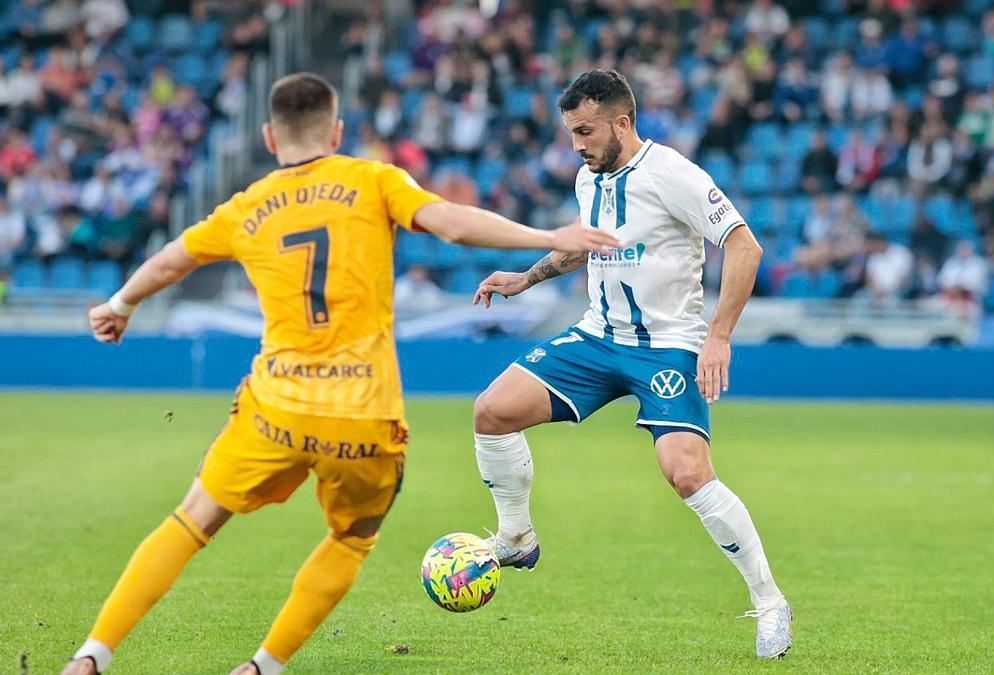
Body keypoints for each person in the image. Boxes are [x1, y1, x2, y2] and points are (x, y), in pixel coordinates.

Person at [61, 72, 619, 675]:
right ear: (338, 131)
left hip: (276, 405)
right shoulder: (371, 179)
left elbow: (173, 258)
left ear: (271, 138)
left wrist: (119, 305)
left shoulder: (246, 206)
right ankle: (262, 666)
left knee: (193, 519)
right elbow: (453, 224)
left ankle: (93, 654)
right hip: (364, 415)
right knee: (352, 538)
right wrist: (548, 235)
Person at [469, 70, 791, 660]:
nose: (576, 144)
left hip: (667, 346)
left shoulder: (672, 174)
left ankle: (769, 601)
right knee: (492, 412)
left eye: (585, 131)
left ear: (622, 121)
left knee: (687, 474)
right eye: (570, 133)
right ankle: (515, 536)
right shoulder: (587, 177)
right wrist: (526, 278)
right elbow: (584, 245)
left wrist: (718, 336)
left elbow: (745, 247)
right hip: (597, 337)